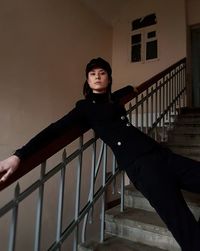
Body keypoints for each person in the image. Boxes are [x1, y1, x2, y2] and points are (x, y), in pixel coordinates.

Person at [0, 57, 200, 250]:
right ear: (87, 80)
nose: (97, 76)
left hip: (163, 155)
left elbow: (118, 95)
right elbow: (54, 130)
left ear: (109, 78)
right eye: (92, 74)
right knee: (183, 226)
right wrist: (19, 155)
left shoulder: (114, 102)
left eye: (102, 73)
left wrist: (132, 88)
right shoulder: (85, 108)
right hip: (143, 167)